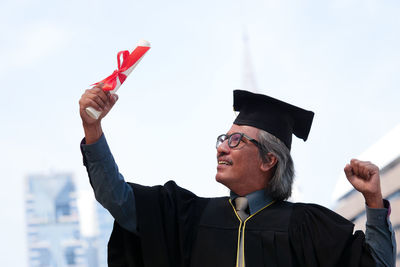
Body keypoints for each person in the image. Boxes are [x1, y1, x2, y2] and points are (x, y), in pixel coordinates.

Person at [79, 85, 396, 267]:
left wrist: (372, 203)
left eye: (235, 141)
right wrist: (93, 130)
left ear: (268, 160)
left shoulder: (306, 226)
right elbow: (116, 198)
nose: (221, 149)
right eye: (222, 139)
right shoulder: (188, 215)